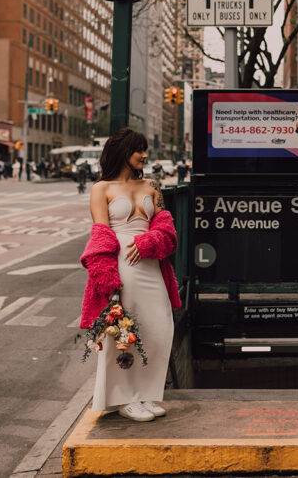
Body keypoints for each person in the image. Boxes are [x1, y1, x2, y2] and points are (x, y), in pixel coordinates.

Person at [81, 128, 179, 422]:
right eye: (140, 150)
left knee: (159, 329)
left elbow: (166, 230)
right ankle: (125, 399)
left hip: (150, 265)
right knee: (122, 331)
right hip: (121, 266)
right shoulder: (101, 189)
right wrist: (107, 280)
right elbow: (100, 235)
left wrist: (148, 242)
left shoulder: (152, 186)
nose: (145, 155)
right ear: (125, 151)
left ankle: (146, 395)